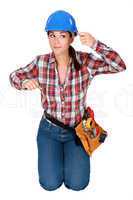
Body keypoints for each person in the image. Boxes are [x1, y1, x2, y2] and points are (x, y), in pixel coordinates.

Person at [9, 10, 126, 191]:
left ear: (72, 38)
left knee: (78, 184)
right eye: (52, 35)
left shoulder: (85, 62)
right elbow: (14, 76)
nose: (56, 41)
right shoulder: (40, 63)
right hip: (49, 130)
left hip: (77, 131)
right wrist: (24, 82)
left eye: (62, 36)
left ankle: (70, 160)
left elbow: (119, 65)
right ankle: (55, 158)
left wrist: (95, 44)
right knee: (49, 184)